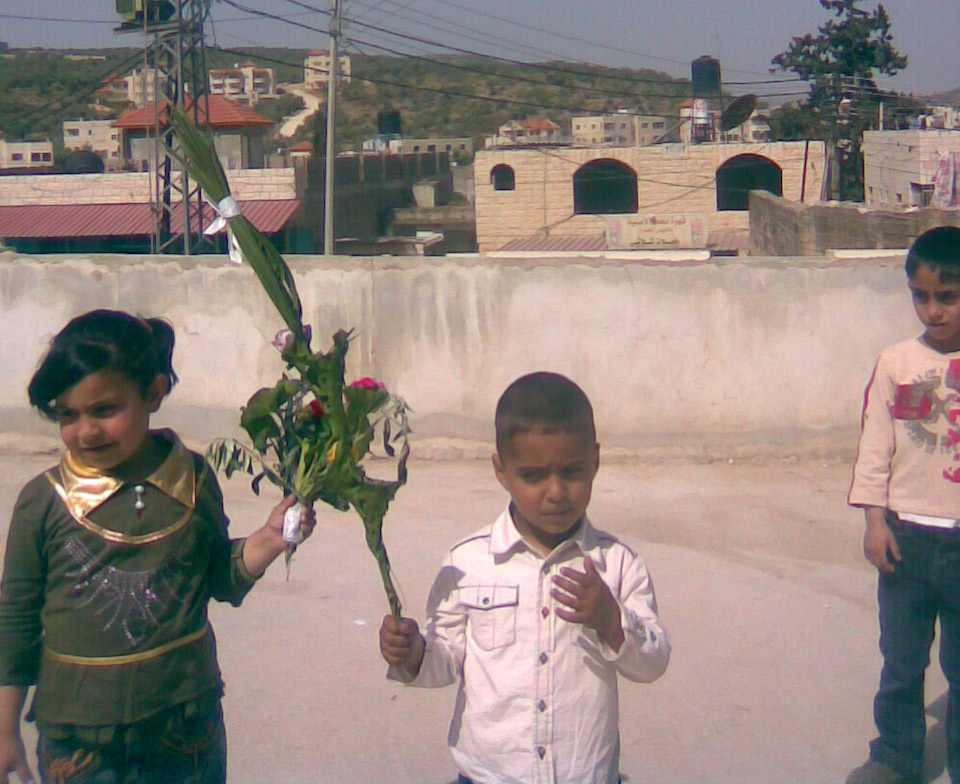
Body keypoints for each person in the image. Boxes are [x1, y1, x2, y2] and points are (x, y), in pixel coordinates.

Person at [0, 309, 314, 784]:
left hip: (186, 729)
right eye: (68, 415)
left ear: (153, 393)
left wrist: (270, 539)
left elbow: (217, 578)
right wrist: (5, 728)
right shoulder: (42, 503)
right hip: (80, 744)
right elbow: (16, 621)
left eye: (104, 410)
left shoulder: (192, 480)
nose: (85, 431)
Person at [379, 370, 669, 784]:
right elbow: (443, 662)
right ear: (501, 470)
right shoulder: (467, 563)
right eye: (533, 475)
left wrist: (611, 621)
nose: (555, 491)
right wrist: (410, 654)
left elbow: (653, 662)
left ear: (595, 462)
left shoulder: (616, 565)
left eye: (572, 471)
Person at [847, 226, 960, 784]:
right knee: (902, 663)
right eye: (922, 296)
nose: (933, 310)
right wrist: (874, 519)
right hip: (906, 539)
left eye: (948, 297)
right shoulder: (896, 362)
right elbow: (876, 445)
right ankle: (895, 757)